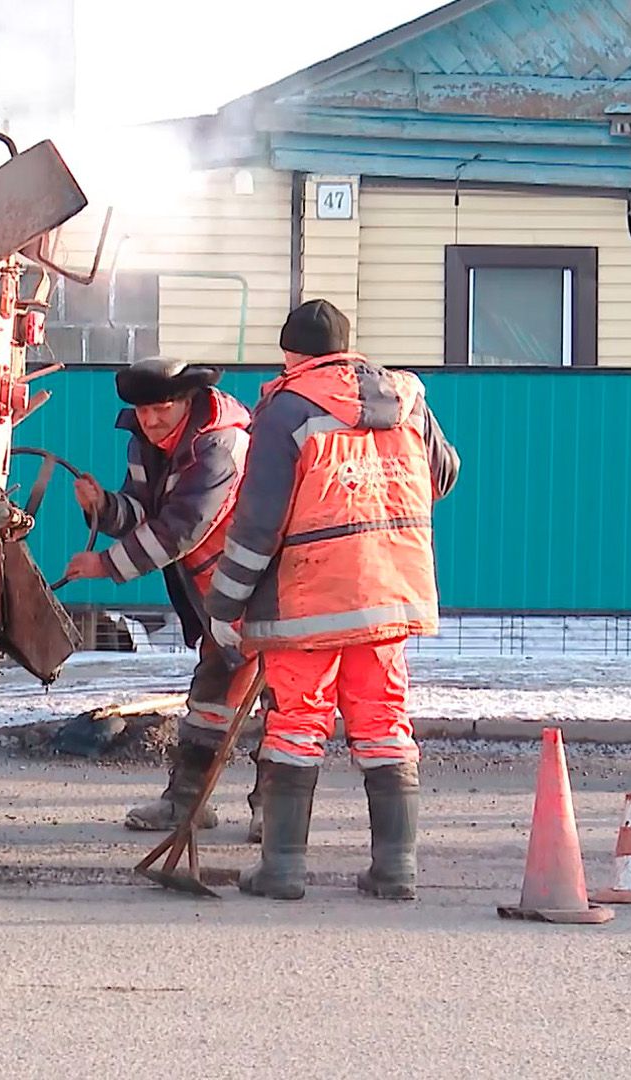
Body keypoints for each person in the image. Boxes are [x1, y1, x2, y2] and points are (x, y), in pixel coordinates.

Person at [203, 299, 461, 902]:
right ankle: (396, 869)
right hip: (389, 593)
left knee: (297, 723)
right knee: (384, 723)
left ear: (291, 352)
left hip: (309, 599)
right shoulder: (408, 403)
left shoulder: (287, 408)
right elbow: (443, 474)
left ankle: (283, 869)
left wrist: (224, 606)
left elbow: (258, 521)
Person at [58, 355, 261, 837]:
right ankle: (187, 805)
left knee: (281, 705)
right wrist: (104, 506)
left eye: (161, 408)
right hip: (219, 598)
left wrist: (105, 565)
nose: (150, 420)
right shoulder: (148, 442)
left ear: (188, 402)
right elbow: (145, 510)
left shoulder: (221, 443)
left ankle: (273, 815)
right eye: (143, 410)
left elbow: (179, 530)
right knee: (211, 699)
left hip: (262, 591)